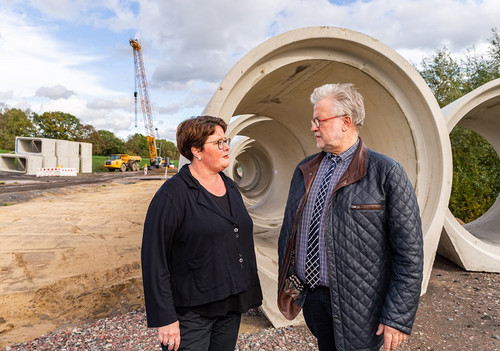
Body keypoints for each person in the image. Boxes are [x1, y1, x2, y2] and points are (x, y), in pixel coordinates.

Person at [277, 83, 423, 351]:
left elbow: (409, 253)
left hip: (361, 305)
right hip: (313, 299)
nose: (313, 127)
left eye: (319, 120)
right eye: (313, 121)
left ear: (346, 122)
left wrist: (397, 316)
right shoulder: (305, 169)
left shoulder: (386, 172)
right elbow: (291, 233)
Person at [142, 115, 262, 351]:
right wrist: (165, 318)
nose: (227, 146)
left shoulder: (229, 187)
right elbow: (154, 259)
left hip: (229, 305)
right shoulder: (172, 195)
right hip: (191, 313)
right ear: (196, 150)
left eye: (225, 140)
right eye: (218, 142)